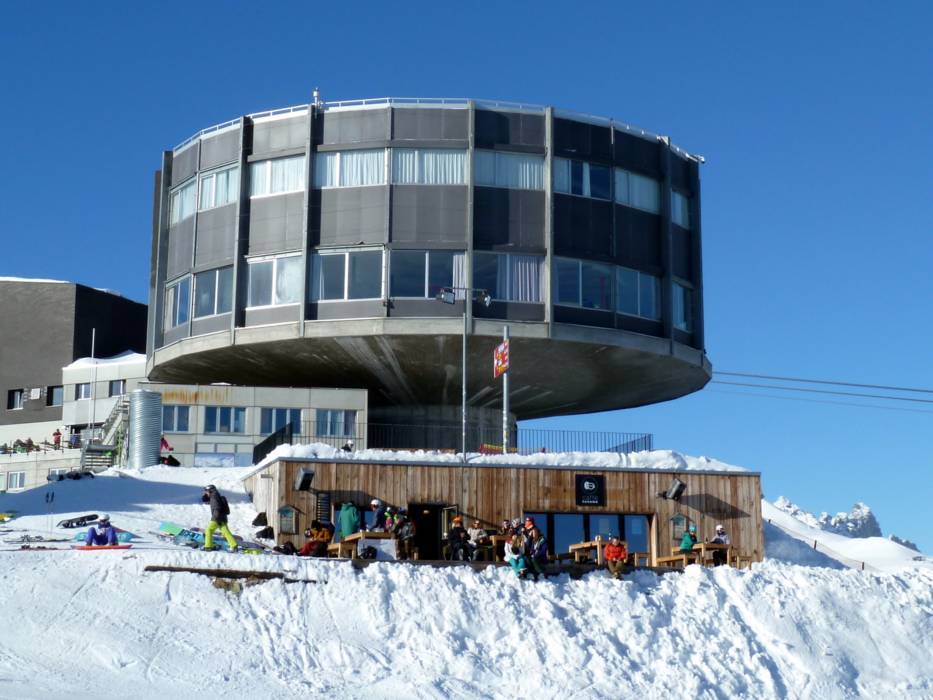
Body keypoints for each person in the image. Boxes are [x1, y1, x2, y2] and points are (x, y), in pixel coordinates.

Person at [201, 484, 238, 551]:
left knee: (209, 530)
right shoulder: (216, 496)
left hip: (217, 517)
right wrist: (205, 496)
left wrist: (216, 519)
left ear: (210, 490)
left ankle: (208, 546)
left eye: (206, 491)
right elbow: (206, 500)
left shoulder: (214, 497)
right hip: (223, 518)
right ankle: (234, 546)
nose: (206, 492)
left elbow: (217, 508)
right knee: (226, 532)